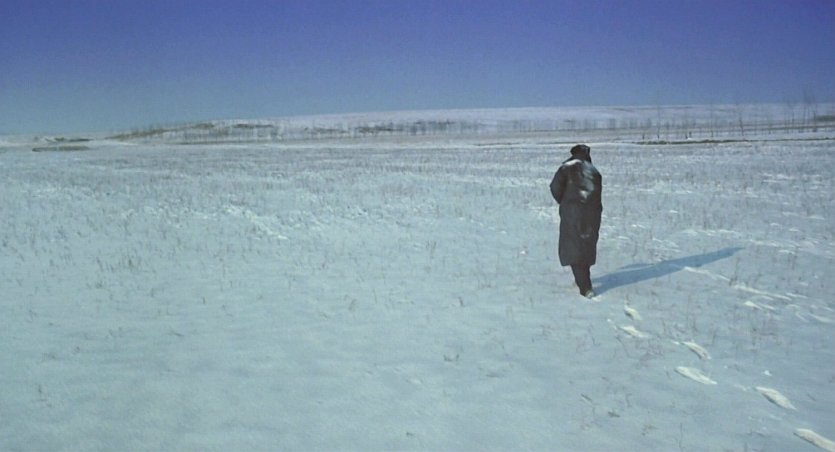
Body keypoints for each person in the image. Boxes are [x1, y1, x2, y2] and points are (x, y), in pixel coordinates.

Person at [549, 144, 602, 298]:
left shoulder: (566, 168)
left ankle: (585, 287)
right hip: (592, 215)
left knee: (574, 248)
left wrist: (566, 203)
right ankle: (584, 280)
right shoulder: (594, 171)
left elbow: (555, 188)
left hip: (573, 214)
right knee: (585, 247)